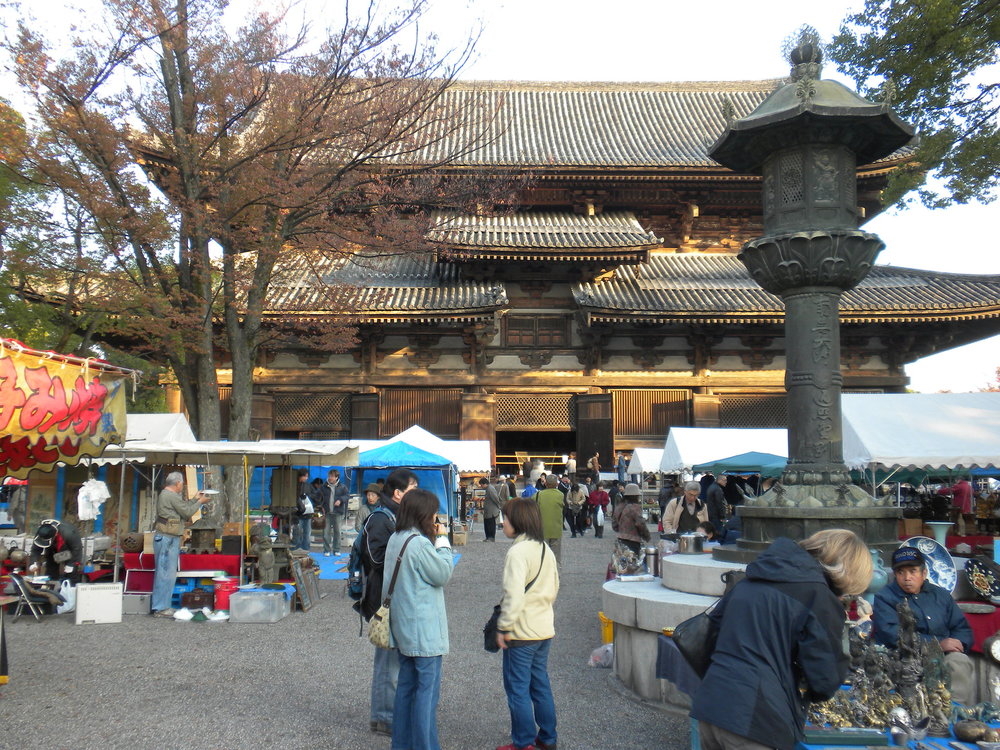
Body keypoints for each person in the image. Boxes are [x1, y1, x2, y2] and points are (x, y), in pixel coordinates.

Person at [691, 529, 872, 750]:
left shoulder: (753, 577)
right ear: (848, 573)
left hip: (712, 706)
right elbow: (824, 679)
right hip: (756, 717)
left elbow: (713, 634)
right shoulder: (817, 596)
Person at [384, 489, 454, 750]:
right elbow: (443, 573)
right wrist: (444, 539)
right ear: (423, 514)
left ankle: (401, 744)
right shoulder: (420, 543)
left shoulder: (396, 538)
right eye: (433, 513)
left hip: (403, 626)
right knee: (426, 695)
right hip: (423, 631)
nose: (436, 518)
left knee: (405, 689)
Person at [495, 498, 560, 750]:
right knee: (540, 685)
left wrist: (504, 627)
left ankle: (523, 743)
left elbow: (513, 595)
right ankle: (547, 738)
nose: (503, 522)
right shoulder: (544, 548)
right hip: (543, 628)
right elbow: (554, 587)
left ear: (518, 521)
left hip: (521, 632)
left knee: (518, 689)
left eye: (506, 518)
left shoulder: (517, 552)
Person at [872, 546, 974, 705]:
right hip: (902, 658)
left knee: (958, 661)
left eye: (913, 571)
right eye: (901, 572)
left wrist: (959, 643)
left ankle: (954, 710)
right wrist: (937, 645)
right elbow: (892, 635)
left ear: (924, 573)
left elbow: (961, 628)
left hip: (942, 656)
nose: (907, 578)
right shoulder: (885, 597)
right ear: (895, 575)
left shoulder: (941, 595)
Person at [361, 468, 418, 736]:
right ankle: (384, 717)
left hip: (394, 595)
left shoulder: (397, 516)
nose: (416, 496)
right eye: (412, 490)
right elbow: (375, 558)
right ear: (398, 493)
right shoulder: (381, 518)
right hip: (382, 598)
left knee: (396, 657)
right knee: (387, 660)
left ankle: (391, 713)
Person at [151, 472, 211, 618]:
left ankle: (162, 606)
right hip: (167, 538)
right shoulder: (170, 496)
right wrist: (199, 502)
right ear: (178, 483)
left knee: (167, 573)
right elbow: (187, 512)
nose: (182, 486)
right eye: (182, 483)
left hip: (168, 537)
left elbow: (183, 508)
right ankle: (160, 607)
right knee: (165, 573)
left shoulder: (168, 495)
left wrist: (195, 499)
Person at [29, 519, 83, 583]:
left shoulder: (69, 533)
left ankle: (72, 587)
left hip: (69, 551)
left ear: (55, 535)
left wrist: (71, 564)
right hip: (52, 550)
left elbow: (77, 549)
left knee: (71, 573)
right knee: (50, 572)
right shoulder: (41, 532)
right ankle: (51, 588)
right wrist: (33, 563)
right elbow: (35, 550)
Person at [611, 483, 650, 554]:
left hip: (620, 539)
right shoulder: (635, 507)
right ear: (635, 496)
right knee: (633, 562)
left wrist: (621, 530)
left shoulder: (619, 506)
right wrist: (646, 535)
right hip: (633, 541)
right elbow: (640, 523)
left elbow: (614, 524)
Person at [535, 475, 566, 565]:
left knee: (542, 555)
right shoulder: (560, 495)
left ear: (545, 483)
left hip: (542, 529)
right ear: (557, 484)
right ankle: (555, 574)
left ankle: (542, 574)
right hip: (556, 529)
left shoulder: (538, 495)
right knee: (556, 556)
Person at [321, 469, 350, 556]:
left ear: (337, 477)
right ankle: (326, 550)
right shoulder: (324, 486)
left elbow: (347, 496)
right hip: (327, 513)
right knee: (326, 532)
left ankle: (336, 549)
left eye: (332, 476)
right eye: (329, 476)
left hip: (338, 513)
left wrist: (340, 500)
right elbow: (319, 497)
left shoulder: (342, 486)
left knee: (337, 532)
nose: (330, 478)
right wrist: (321, 506)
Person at [293, 470, 316, 551]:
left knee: (307, 533)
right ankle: (296, 549)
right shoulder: (293, 485)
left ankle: (306, 549)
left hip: (308, 513)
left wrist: (308, 496)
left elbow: (314, 495)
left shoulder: (308, 485)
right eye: (305, 476)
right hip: (297, 514)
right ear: (300, 476)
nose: (306, 478)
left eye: (307, 476)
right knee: (297, 533)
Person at [481, 476, 503, 542]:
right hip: (488, 510)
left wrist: (498, 506)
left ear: (485, 484)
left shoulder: (490, 489)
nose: (481, 486)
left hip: (491, 510)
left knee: (491, 524)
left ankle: (491, 537)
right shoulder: (488, 489)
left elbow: (496, 498)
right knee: (487, 523)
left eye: (481, 485)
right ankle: (488, 537)